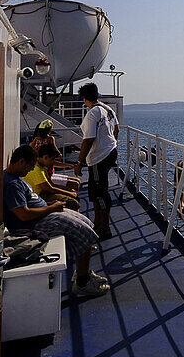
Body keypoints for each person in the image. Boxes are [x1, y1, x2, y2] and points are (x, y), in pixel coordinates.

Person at [3, 144, 109, 297]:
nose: (31, 170)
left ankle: (82, 272)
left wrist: (50, 205)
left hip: (43, 213)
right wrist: (51, 208)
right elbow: (23, 215)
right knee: (84, 232)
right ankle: (82, 282)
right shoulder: (11, 185)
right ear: (21, 162)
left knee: (85, 223)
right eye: (30, 166)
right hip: (33, 223)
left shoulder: (15, 178)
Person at [75, 82, 119, 240]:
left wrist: (79, 162)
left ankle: (105, 228)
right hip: (111, 152)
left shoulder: (92, 114)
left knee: (100, 193)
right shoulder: (108, 109)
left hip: (98, 158)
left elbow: (88, 139)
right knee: (96, 190)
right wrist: (110, 144)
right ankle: (98, 222)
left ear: (84, 98)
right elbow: (117, 129)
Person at [23, 144, 81, 210]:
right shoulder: (37, 169)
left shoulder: (41, 167)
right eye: (52, 159)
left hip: (43, 193)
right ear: (45, 157)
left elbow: (51, 184)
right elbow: (49, 189)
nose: (53, 162)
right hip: (38, 196)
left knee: (72, 195)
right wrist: (70, 193)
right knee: (73, 203)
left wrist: (69, 190)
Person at [30, 119, 79, 192]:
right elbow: (52, 161)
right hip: (45, 172)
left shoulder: (37, 141)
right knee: (75, 184)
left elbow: (30, 147)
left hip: (46, 169)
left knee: (76, 182)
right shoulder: (48, 142)